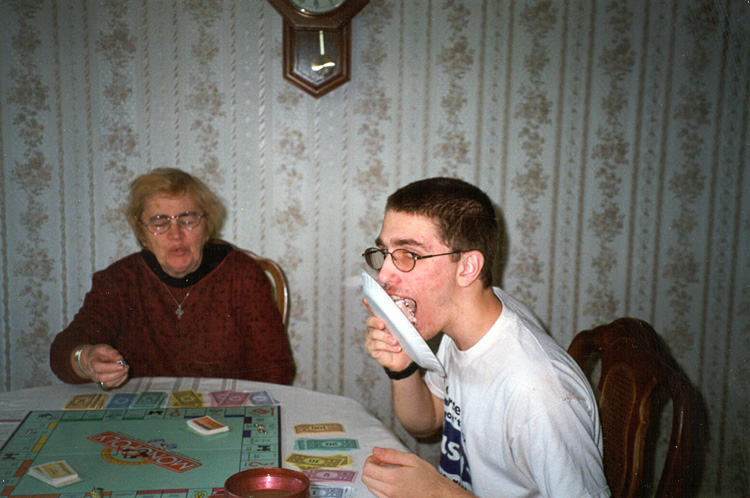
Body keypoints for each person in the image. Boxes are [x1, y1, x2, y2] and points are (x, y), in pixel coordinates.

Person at [360, 177, 610, 498]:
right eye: (385, 252)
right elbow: (428, 421)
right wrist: (403, 368)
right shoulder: (465, 320)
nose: (384, 275)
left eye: (408, 253)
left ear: (467, 267)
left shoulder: (538, 393)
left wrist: (440, 493)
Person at [50, 168, 295, 388]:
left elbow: (276, 372)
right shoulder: (120, 280)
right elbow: (63, 351)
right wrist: (86, 359)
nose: (176, 234)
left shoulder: (243, 276)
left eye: (187, 219)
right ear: (142, 233)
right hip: (141, 419)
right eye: (159, 222)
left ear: (206, 226)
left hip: (225, 418)